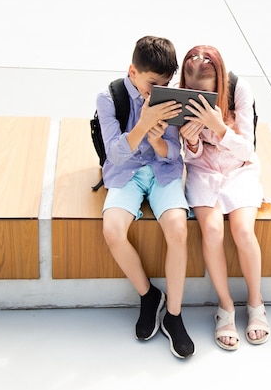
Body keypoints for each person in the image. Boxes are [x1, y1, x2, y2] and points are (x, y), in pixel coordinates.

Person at [96, 36, 194, 359]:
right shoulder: (110, 98)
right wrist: (143, 125)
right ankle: (149, 295)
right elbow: (115, 155)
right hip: (126, 173)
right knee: (112, 229)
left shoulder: (169, 98)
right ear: (132, 71)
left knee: (179, 229)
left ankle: (174, 316)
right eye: (152, 83)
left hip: (162, 170)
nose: (156, 91)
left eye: (164, 84)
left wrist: (160, 142)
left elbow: (173, 155)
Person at [178, 45, 270, 351]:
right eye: (192, 92)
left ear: (218, 83)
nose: (197, 98)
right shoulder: (180, 94)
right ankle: (226, 306)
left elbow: (248, 150)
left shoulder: (239, 90)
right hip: (203, 171)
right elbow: (189, 155)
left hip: (239, 168)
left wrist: (219, 128)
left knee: (243, 230)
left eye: (204, 93)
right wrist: (191, 141)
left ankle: (256, 303)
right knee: (213, 230)